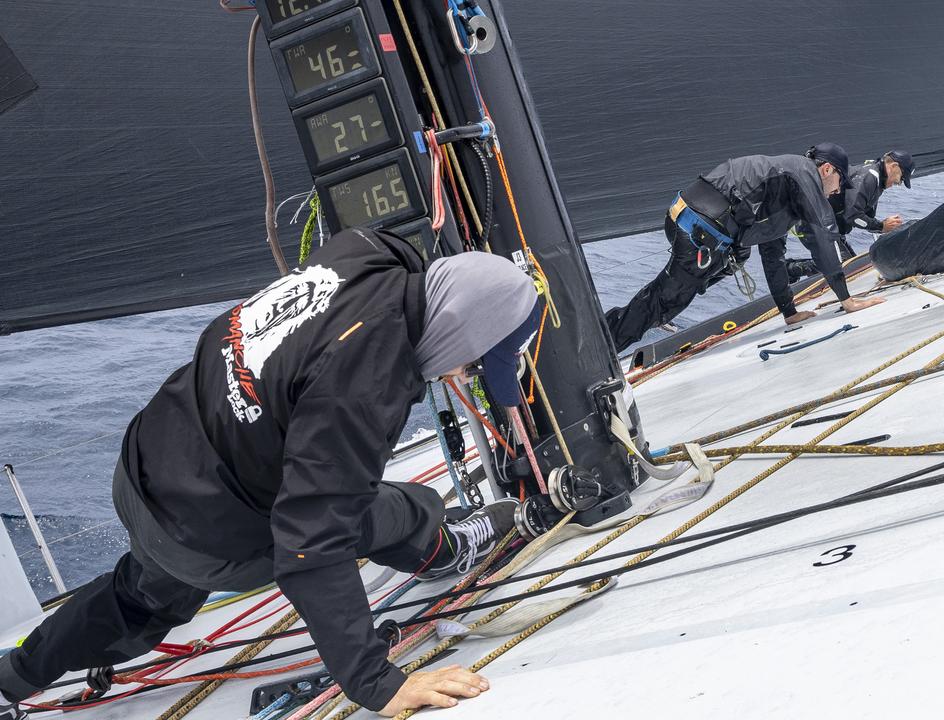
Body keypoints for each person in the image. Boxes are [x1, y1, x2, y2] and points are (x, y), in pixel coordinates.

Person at [0, 229, 545, 718]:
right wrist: (377, 682)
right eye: (474, 362)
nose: (462, 375)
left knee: (139, 595)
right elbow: (312, 541)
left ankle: (13, 676)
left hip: (150, 470)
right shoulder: (368, 379)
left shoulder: (367, 251)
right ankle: (444, 547)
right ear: (460, 330)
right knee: (391, 504)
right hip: (208, 530)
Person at [604, 143, 883, 349]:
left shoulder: (785, 190)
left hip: (699, 227)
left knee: (725, 263)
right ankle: (605, 346)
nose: (837, 191)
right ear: (826, 169)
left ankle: (609, 335)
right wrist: (847, 299)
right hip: (701, 229)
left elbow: (773, 255)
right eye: (839, 182)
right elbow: (822, 237)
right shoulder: (803, 174)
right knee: (666, 298)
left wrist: (789, 311)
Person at [784, 150, 915, 291]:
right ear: (894, 166)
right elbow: (852, 215)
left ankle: (803, 270)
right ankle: (790, 269)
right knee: (844, 266)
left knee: (854, 266)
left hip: (830, 227)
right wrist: (881, 225)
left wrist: (883, 227)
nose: (899, 183)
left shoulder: (877, 181)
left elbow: (864, 216)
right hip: (813, 223)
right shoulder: (869, 177)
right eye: (901, 178)